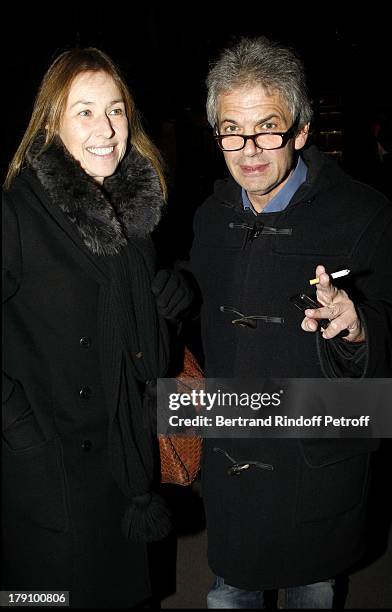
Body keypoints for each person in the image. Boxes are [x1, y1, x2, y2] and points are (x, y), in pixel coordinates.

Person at [186, 37, 392, 608]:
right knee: (230, 590)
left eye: (268, 127)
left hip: (316, 466)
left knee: (313, 588)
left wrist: (359, 328)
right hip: (234, 463)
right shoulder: (209, 218)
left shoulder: (363, 216)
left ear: (301, 130)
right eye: (232, 129)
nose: (250, 148)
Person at [2, 47, 191, 609]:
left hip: (122, 463)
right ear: (52, 122)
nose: (106, 128)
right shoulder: (18, 213)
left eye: (116, 110)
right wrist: (18, 427)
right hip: (49, 468)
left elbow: (150, 363)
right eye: (84, 111)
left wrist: (171, 304)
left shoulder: (134, 216)